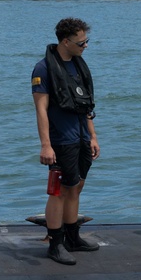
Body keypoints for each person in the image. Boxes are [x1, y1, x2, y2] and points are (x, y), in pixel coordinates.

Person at [31, 17, 100, 265]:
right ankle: (55, 242)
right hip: (61, 139)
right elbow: (41, 109)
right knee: (59, 191)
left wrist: (92, 135)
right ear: (65, 41)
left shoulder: (79, 66)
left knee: (76, 186)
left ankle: (73, 237)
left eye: (86, 41)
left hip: (81, 136)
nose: (85, 46)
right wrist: (46, 145)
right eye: (81, 42)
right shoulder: (43, 69)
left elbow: (86, 106)